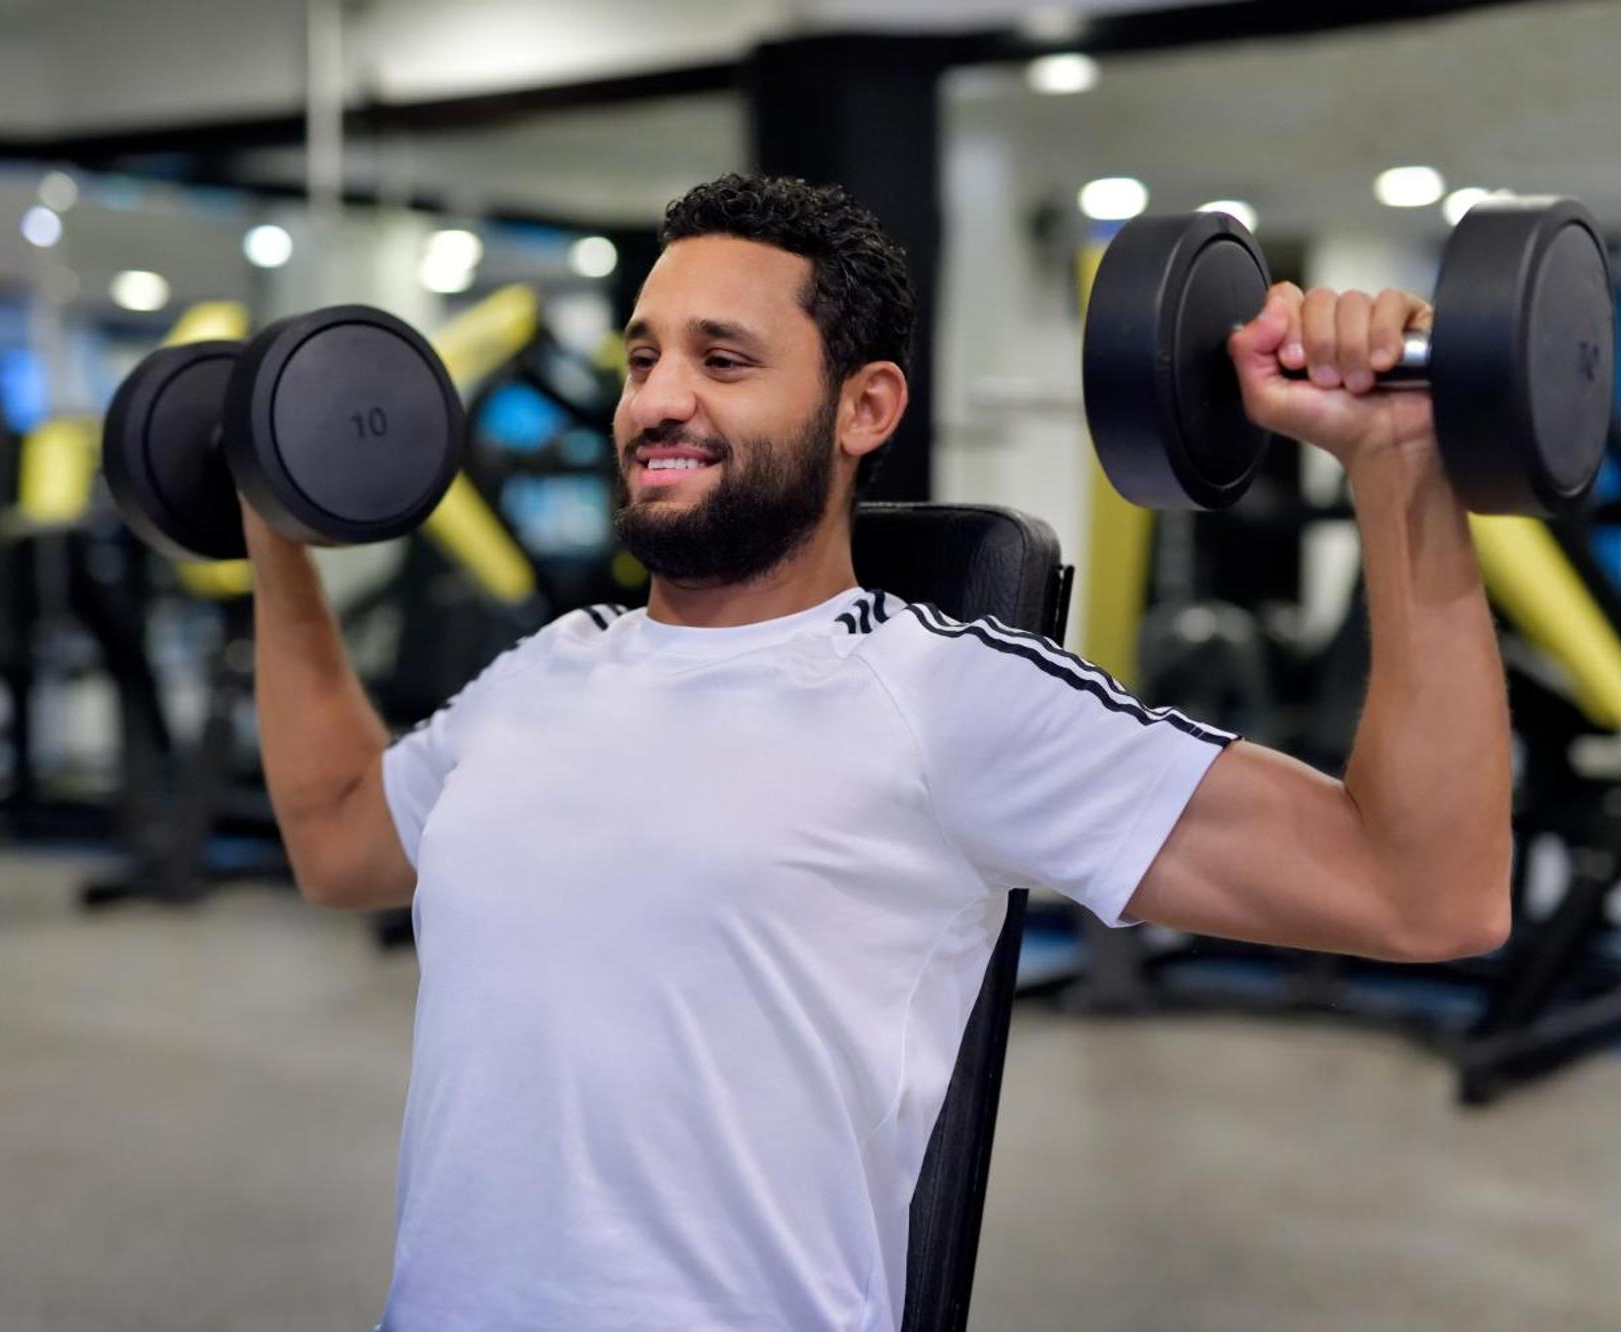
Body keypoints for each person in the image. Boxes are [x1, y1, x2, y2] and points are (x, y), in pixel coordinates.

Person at [243, 174, 1512, 1331]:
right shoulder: (539, 675)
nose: (657, 399)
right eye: (642, 357)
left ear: (865, 407)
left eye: (721, 358)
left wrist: (1399, 467)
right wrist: (271, 528)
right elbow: (338, 839)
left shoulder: (943, 696)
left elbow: (1421, 891)